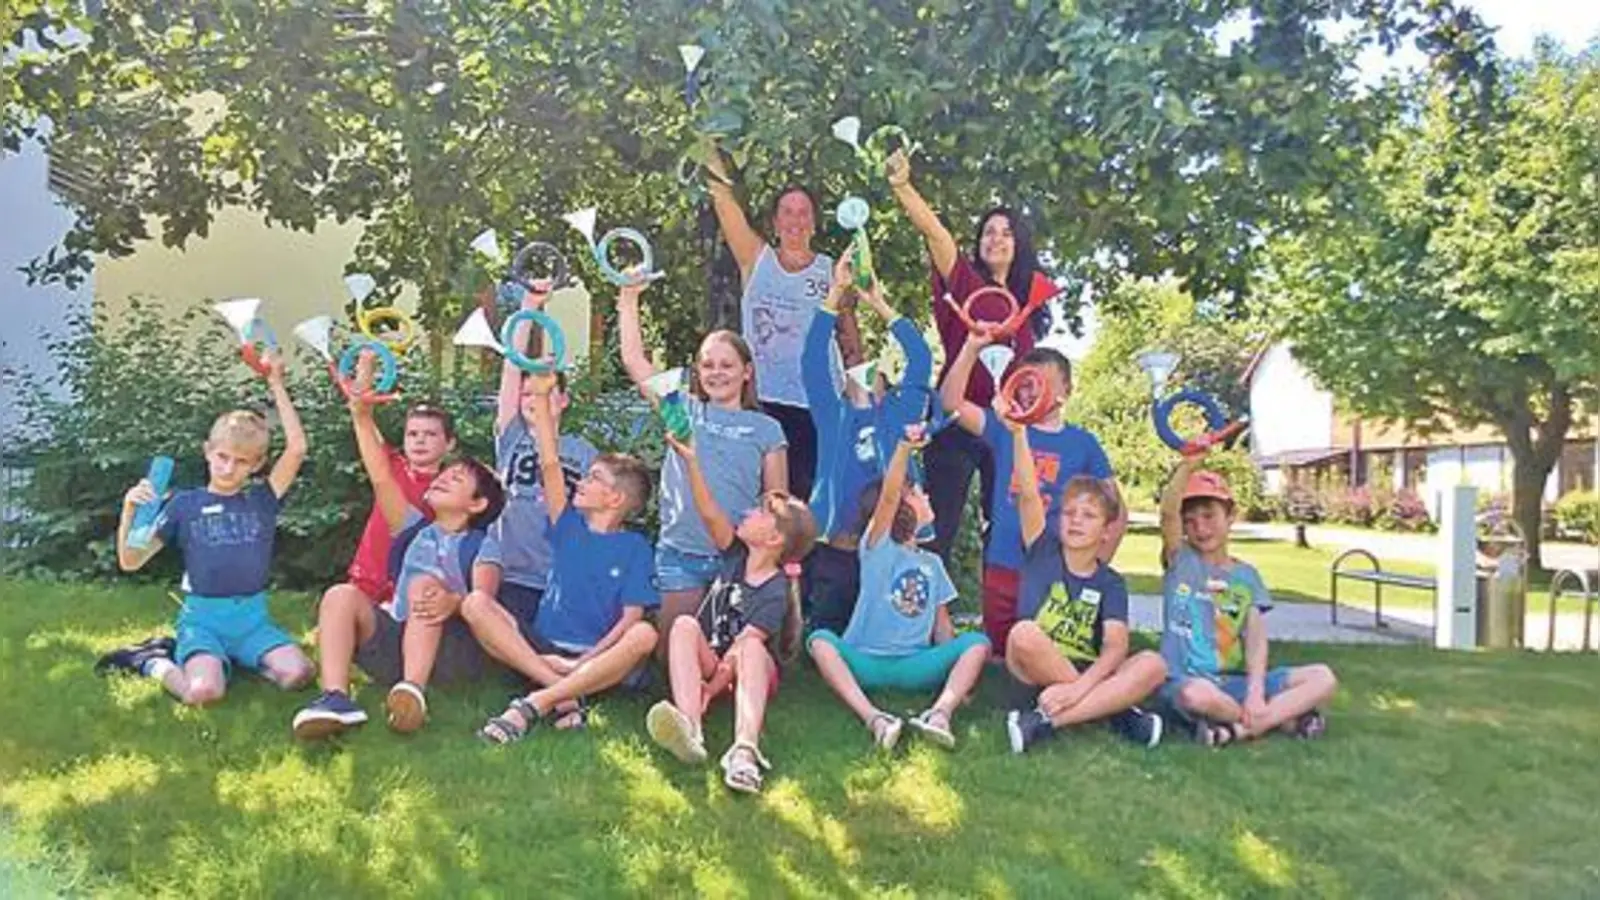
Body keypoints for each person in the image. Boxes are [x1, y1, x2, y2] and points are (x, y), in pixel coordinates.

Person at [292, 356, 506, 738]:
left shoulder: (482, 543)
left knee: (424, 586)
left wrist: (454, 602)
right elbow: (379, 474)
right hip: (394, 628)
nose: (437, 483)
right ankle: (335, 698)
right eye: (413, 434)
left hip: (449, 647)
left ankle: (413, 693)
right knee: (341, 596)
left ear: (476, 503)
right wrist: (360, 411)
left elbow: (484, 605)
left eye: (454, 477)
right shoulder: (412, 525)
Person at [885, 148, 1060, 566]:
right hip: (955, 421)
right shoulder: (965, 282)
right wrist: (903, 187)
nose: (995, 239)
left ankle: (1005, 619)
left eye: (1005, 232)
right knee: (936, 527)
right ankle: (920, 618)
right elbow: (936, 235)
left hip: (1005, 428)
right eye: (988, 232)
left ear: (1019, 244)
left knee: (1007, 526)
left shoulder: (1028, 303)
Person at [108, 353, 313, 705]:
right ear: (208, 452)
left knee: (300, 674)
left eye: (241, 461)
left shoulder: (261, 499)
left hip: (252, 621)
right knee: (203, 693)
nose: (229, 467)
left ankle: (240, 659)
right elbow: (130, 561)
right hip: (203, 621)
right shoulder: (183, 505)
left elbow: (297, 449)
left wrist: (276, 382)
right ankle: (153, 661)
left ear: (256, 465)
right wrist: (129, 508)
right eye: (222, 457)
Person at [472, 371, 659, 743]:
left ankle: (534, 703)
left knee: (644, 634)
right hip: (544, 650)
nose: (582, 482)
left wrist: (586, 661)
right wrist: (541, 401)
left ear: (615, 499)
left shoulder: (636, 547)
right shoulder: (567, 525)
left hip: (598, 658)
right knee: (477, 603)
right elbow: (550, 464)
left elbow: (629, 621)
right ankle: (564, 693)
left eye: (592, 478)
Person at [616, 277, 788, 657]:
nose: (716, 372)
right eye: (707, 365)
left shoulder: (767, 428)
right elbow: (634, 361)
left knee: (731, 660)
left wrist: (769, 561)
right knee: (669, 660)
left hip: (737, 559)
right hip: (680, 554)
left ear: (747, 372)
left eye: (727, 365)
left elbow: (777, 501)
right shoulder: (683, 409)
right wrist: (628, 299)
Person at [645, 433, 816, 794]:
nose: (748, 512)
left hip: (749, 673)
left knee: (752, 648)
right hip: (715, 663)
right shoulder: (735, 554)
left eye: (760, 513)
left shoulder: (774, 590)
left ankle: (744, 750)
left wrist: (713, 688)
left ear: (773, 540)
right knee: (685, 625)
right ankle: (690, 729)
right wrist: (691, 461)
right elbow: (708, 510)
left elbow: (741, 649)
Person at [939, 327, 1126, 656]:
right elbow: (950, 403)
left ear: (1065, 391)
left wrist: (1092, 566)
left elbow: (1115, 509)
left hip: (1055, 566)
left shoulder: (1083, 443)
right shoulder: (1003, 427)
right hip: (1003, 561)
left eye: (1043, 383)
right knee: (999, 650)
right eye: (1026, 382)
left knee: (1049, 649)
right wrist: (970, 347)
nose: (1031, 391)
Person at [808, 424, 990, 750]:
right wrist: (904, 449)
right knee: (820, 641)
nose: (927, 495)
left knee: (977, 643)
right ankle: (874, 718)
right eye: (917, 492)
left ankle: (939, 715)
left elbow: (943, 628)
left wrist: (954, 669)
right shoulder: (878, 547)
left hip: (913, 665)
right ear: (900, 507)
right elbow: (890, 495)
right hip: (864, 660)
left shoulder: (932, 564)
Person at [1001, 405, 1167, 753]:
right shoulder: (1043, 549)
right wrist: (1019, 433)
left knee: (1152, 664)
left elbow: (1115, 647)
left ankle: (1047, 721)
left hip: (1088, 671)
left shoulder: (1110, 582)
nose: (1075, 521)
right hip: (1035, 667)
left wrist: (1077, 690)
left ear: (1107, 532)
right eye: (1069, 513)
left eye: (1088, 515)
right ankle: (1114, 710)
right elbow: (1030, 494)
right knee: (1023, 634)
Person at [704, 148, 861, 501]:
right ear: (774, 222)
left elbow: (849, 339)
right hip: (762, 400)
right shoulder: (756, 259)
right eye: (787, 212)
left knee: (808, 502)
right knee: (758, 499)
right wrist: (708, 152)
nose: (796, 220)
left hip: (817, 405)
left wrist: (858, 397)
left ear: (815, 222)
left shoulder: (829, 270)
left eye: (804, 213)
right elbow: (725, 206)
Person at [1157, 455, 1338, 746]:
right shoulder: (1181, 560)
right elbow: (1167, 514)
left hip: (1234, 684)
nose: (1200, 529)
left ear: (1230, 516)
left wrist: (1255, 692)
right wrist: (1187, 466)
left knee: (1323, 677)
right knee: (1196, 696)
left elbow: (1255, 640)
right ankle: (1280, 719)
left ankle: (1236, 730)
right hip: (1186, 682)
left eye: (1209, 516)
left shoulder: (1246, 576)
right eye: (1190, 521)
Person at [803, 258, 933, 634]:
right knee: (826, 638)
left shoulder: (900, 411)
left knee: (889, 632)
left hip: (892, 549)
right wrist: (836, 293)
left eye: (867, 365)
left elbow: (921, 359)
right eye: (849, 364)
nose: (857, 366)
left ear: (884, 382)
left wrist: (878, 302)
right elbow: (812, 360)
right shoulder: (832, 414)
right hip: (839, 548)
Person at [490, 282, 599, 635]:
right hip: (513, 575)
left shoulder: (583, 451)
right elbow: (511, 367)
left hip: (561, 574)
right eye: (526, 394)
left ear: (564, 400)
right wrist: (530, 308)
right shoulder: (513, 436)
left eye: (545, 392)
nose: (534, 399)